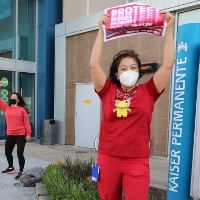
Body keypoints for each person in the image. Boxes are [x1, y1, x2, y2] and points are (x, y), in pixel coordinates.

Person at [90, 12, 175, 200]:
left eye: (133, 67)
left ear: (139, 72)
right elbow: (94, 65)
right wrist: (99, 31)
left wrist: (169, 30)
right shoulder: (107, 91)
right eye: (123, 68)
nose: (129, 71)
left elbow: (168, 65)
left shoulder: (149, 91)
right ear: (117, 74)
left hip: (137, 161)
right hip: (108, 159)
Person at [0, 83, 32, 180]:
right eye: (11, 97)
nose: (12, 98)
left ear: (17, 100)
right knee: (7, 152)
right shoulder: (6, 108)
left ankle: (21, 171)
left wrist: (28, 134)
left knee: (19, 153)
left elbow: (27, 123)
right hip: (10, 134)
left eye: (14, 97)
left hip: (21, 134)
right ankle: (11, 168)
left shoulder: (22, 109)